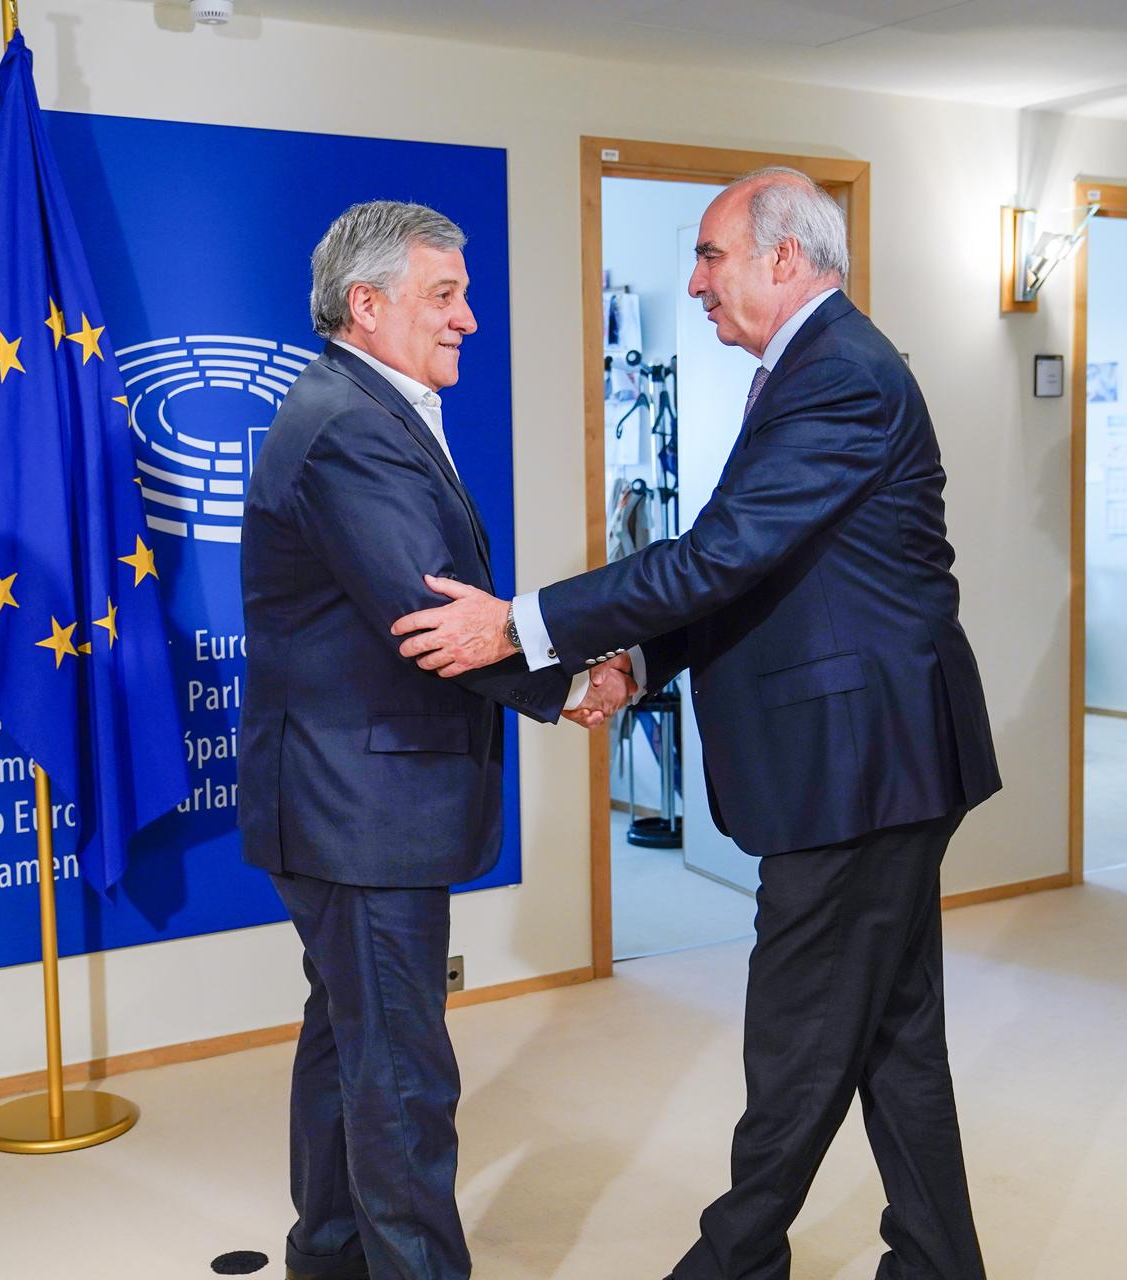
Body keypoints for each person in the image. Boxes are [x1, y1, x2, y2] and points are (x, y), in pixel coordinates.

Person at [390, 168, 1002, 1280]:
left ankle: (732, 1260)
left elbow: (719, 555)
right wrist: (637, 658)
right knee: (894, 1031)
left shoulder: (843, 376)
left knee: (801, 1036)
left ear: (784, 258)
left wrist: (524, 625)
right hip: (877, 758)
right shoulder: (809, 368)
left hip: (860, 765)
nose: (695, 282)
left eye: (712, 256)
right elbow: (757, 564)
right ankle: (937, 1261)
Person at [239, 200, 633, 1280]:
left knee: (348, 1046)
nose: (468, 318)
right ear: (365, 305)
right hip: (358, 808)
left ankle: (328, 1256)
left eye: (465, 293)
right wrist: (570, 682)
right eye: (444, 294)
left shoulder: (358, 404)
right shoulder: (348, 425)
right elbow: (431, 618)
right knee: (405, 1077)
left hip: (342, 801)